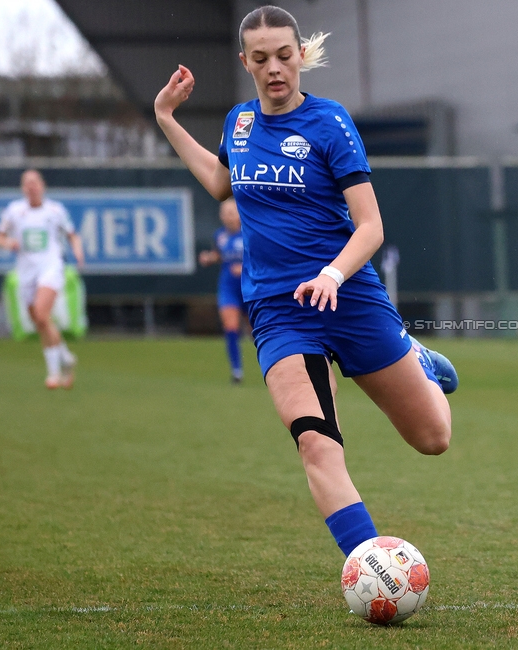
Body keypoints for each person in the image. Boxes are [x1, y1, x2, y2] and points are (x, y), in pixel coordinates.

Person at [154, 5, 458, 560]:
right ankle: (370, 566)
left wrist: (333, 272)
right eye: (262, 58)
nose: (275, 68)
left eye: (285, 56)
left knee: (433, 438)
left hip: (350, 294)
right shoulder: (239, 123)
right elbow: (222, 185)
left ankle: (415, 356)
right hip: (279, 309)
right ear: (245, 62)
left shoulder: (329, 121)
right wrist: (168, 120)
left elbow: (370, 226)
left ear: (300, 57)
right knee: (317, 443)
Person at [0, 169, 84, 389]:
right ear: (23, 188)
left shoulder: (55, 210)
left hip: (51, 268)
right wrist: (8, 243)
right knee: (39, 321)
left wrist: (78, 251)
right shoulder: (15, 211)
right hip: (26, 271)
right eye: (27, 183)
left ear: (42, 186)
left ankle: (54, 373)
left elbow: (72, 234)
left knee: (43, 315)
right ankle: (65, 356)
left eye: (35, 183)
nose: (32, 187)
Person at [199, 198, 248, 383]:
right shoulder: (220, 235)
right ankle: (237, 371)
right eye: (224, 212)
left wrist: (243, 267)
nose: (227, 216)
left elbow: (263, 259)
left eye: (231, 212)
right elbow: (220, 255)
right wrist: (210, 258)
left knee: (258, 331)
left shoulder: (249, 233)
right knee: (231, 327)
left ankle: (271, 366)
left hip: (249, 288)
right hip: (228, 287)